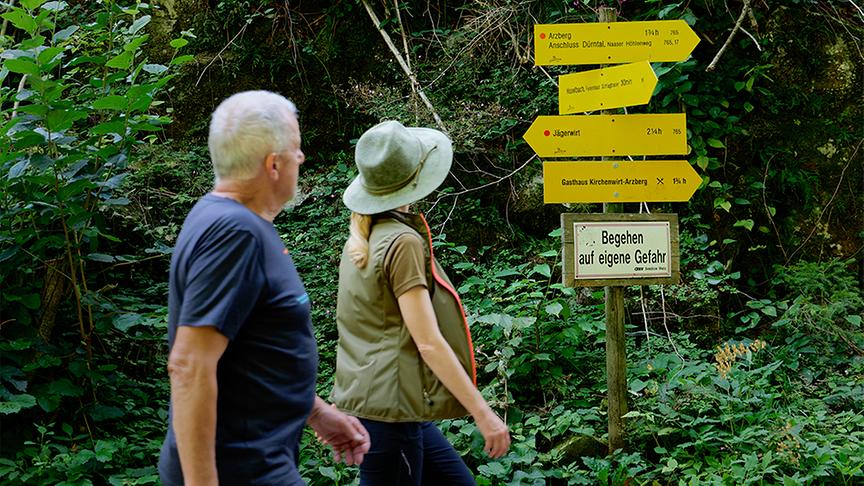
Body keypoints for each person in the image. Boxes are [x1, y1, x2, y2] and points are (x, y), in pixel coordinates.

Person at [158, 90, 370, 486]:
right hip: (242, 467)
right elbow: (189, 365)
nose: (301, 158)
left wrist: (315, 411)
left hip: (258, 460)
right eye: (296, 149)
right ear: (273, 164)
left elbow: (249, 354)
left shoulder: (225, 219)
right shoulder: (234, 233)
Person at [330, 120, 511, 485]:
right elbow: (427, 341)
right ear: (414, 178)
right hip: (391, 414)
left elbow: (359, 329)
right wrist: (483, 413)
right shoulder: (402, 243)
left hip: (390, 406)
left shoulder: (362, 238)